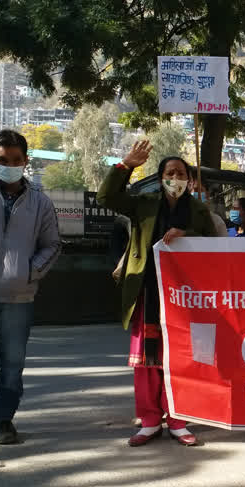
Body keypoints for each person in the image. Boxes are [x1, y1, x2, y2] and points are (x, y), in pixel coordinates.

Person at [97, 141, 218, 447]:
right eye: (169, 172)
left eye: (180, 173)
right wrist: (126, 165)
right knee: (146, 364)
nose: (174, 178)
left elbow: (214, 247)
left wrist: (186, 235)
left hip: (185, 298)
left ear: (189, 179)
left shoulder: (200, 211)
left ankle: (178, 420)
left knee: (179, 361)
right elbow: (107, 196)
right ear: (161, 177)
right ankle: (149, 421)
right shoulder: (144, 203)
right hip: (148, 293)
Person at [0, 116, 61, 447]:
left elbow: (52, 244)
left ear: (26, 161)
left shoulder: (40, 202)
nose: (10, 167)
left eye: (16, 161)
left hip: (19, 298)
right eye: (3, 161)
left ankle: (4, 422)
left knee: (12, 365)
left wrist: (29, 272)